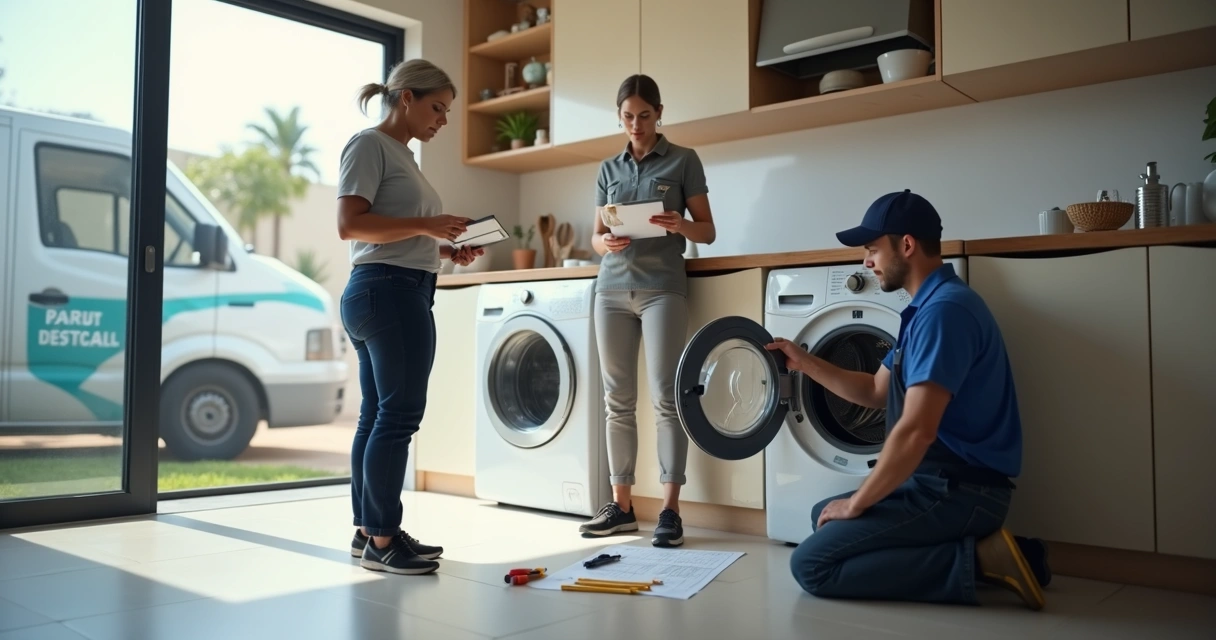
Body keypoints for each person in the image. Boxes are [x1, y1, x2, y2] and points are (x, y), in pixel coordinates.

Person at [765, 190, 1051, 609]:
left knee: (812, 566)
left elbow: (917, 430)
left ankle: (980, 561)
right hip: (935, 483)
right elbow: (875, 391)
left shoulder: (945, 314)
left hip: (961, 491)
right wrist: (804, 362)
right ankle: (984, 551)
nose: (866, 261)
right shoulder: (925, 309)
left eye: (871, 249)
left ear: (906, 245)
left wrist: (858, 502)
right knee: (821, 515)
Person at [336, 59, 483, 576]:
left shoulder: (402, 155)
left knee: (377, 415)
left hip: (393, 287)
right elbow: (350, 225)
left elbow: (395, 236)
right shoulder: (369, 144)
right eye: (437, 108)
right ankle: (382, 538)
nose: (442, 120)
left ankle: (368, 531)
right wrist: (429, 224)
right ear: (406, 99)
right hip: (389, 293)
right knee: (397, 417)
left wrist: (444, 252)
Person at [577, 74, 717, 547]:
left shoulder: (683, 160)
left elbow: (709, 231)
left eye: (644, 115)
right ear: (619, 117)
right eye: (627, 117)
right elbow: (594, 238)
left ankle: (671, 511)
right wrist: (606, 242)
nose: (636, 125)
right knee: (617, 401)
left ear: (659, 113)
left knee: (666, 398)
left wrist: (681, 223)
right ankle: (621, 507)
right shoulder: (607, 169)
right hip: (611, 291)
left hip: (662, 289)